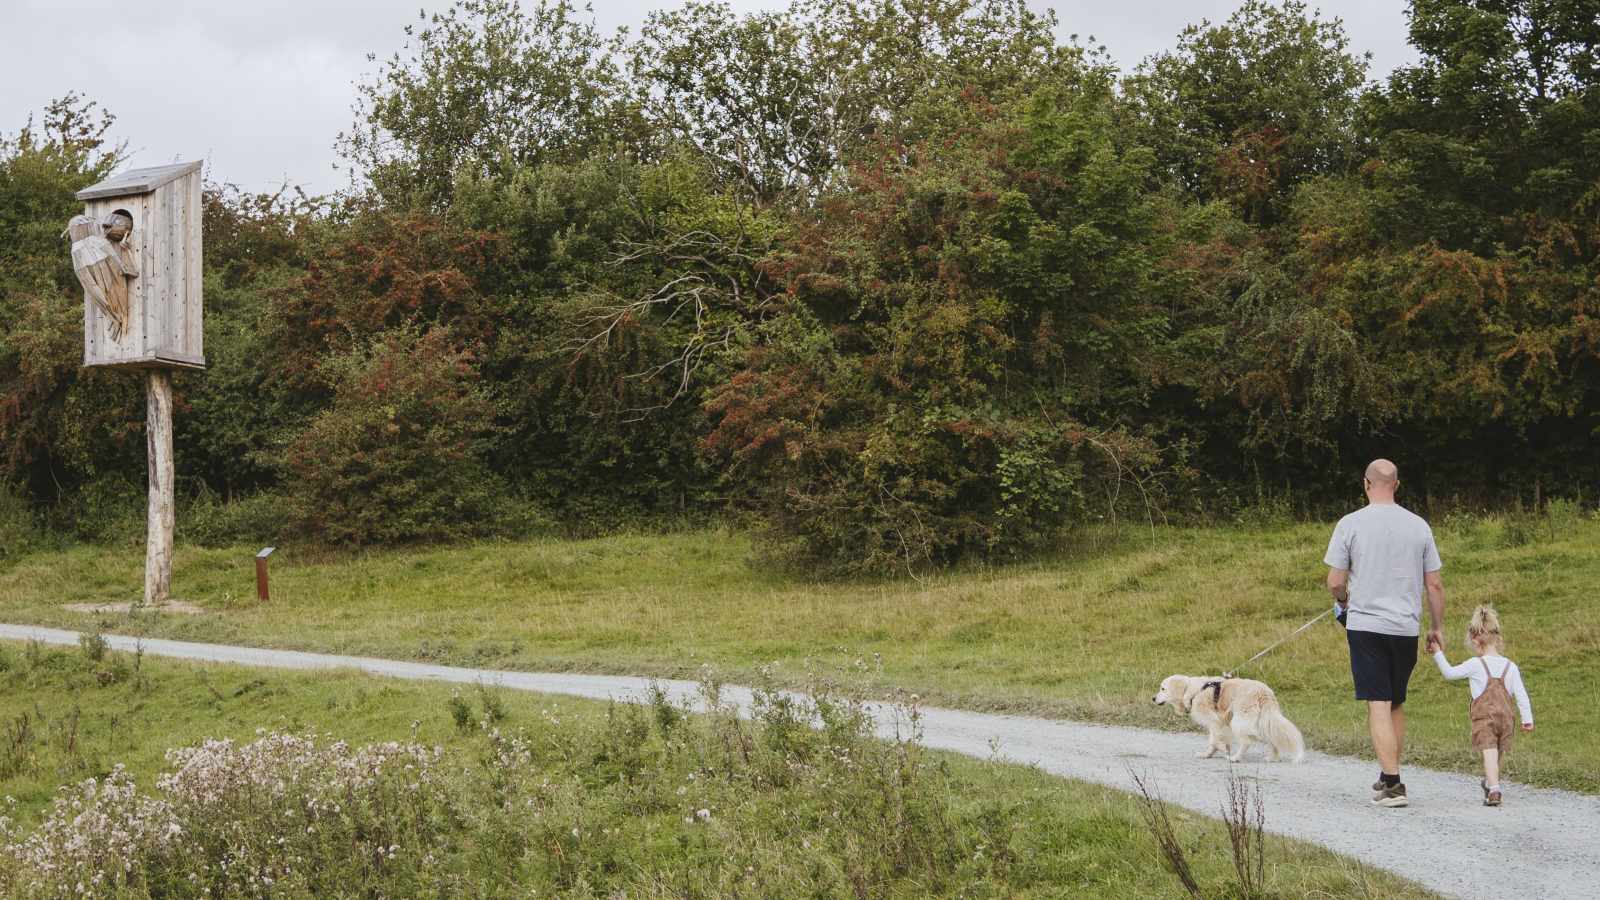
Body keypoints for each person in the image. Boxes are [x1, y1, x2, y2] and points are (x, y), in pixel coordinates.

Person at [1324, 459, 1445, 808]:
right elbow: (1434, 584)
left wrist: (1344, 601)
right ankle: (1388, 771)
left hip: (1366, 626)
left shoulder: (1351, 524)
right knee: (1395, 701)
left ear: (1366, 484)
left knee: (1378, 702)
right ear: (1397, 484)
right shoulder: (1418, 526)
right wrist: (1436, 628)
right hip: (1405, 627)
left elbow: (1335, 581)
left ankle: (1393, 784)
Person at [1429, 605, 1533, 806]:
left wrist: (1437, 653)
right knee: (1497, 753)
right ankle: (1490, 782)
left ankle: (1494, 790)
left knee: (1489, 751)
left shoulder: (1475, 664)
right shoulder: (1511, 666)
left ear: (1476, 640)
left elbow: (1449, 673)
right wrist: (1527, 719)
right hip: (1507, 719)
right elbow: (1521, 695)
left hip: (1485, 719)